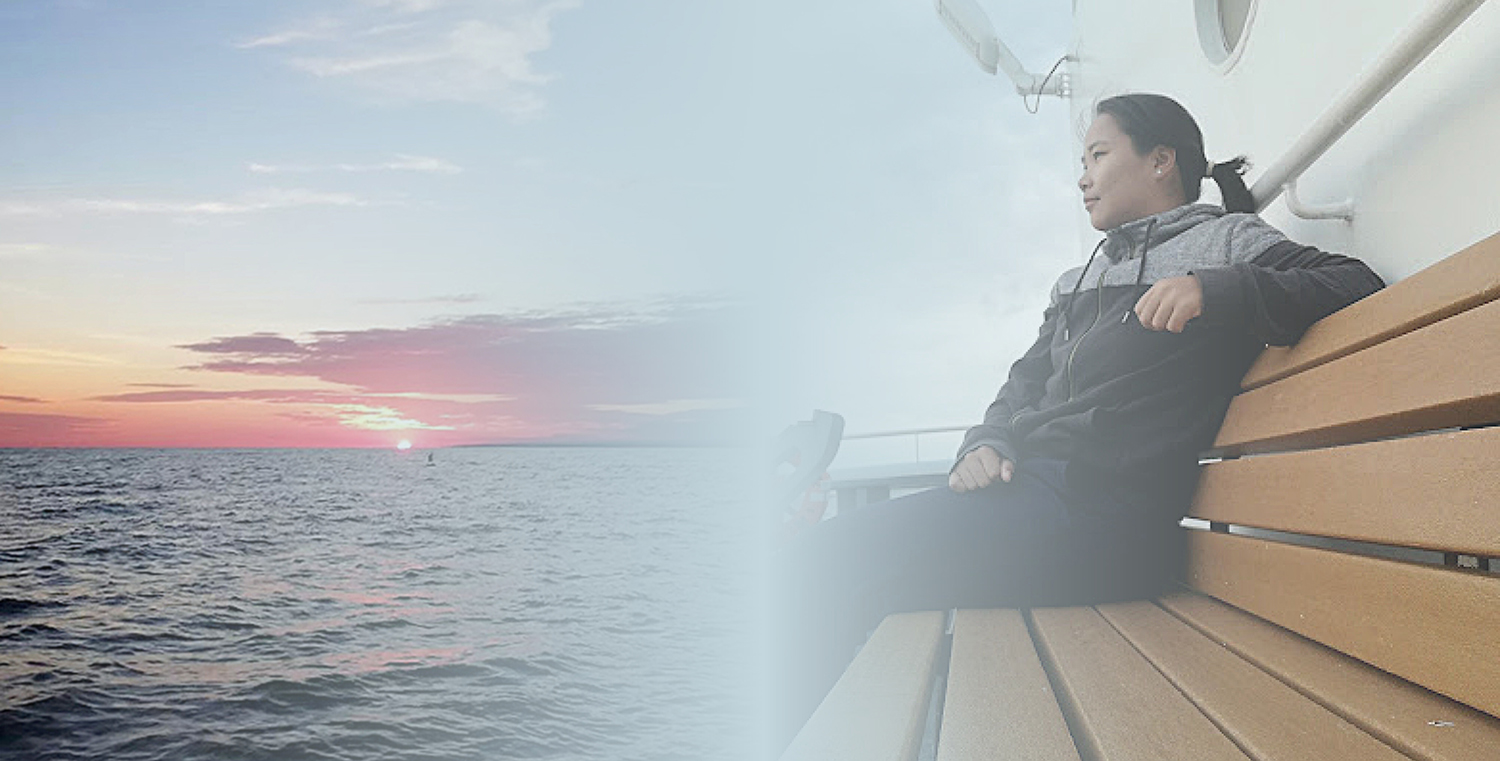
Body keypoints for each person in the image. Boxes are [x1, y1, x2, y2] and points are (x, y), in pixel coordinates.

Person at [765, 92, 1386, 754]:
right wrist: (986, 440)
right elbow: (1021, 382)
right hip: (1033, 500)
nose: (1082, 175)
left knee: (816, 566)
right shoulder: (1078, 279)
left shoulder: (1225, 242)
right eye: (1081, 160)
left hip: (1100, 519)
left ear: (1160, 162)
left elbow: (1354, 281)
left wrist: (1219, 289)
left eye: (1097, 155)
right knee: (838, 575)